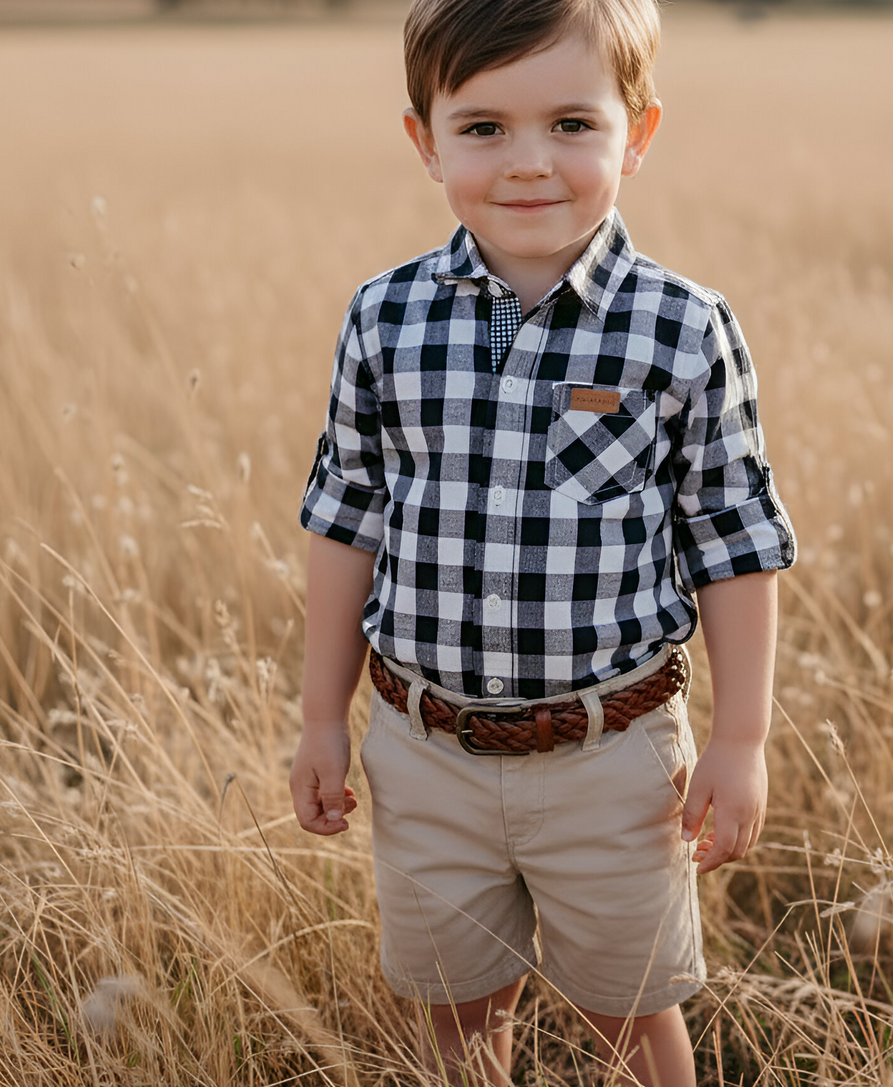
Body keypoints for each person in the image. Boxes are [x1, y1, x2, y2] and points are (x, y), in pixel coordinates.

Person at [290, 0, 796, 1082]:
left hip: (612, 759)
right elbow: (346, 521)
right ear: (425, 140)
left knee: (632, 1005)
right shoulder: (385, 319)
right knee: (460, 1009)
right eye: (483, 129)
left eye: (573, 123)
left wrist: (742, 738)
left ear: (639, 133)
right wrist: (319, 721)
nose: (529, 164)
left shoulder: (682, 328)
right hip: (424, 752)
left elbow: (732, 538)